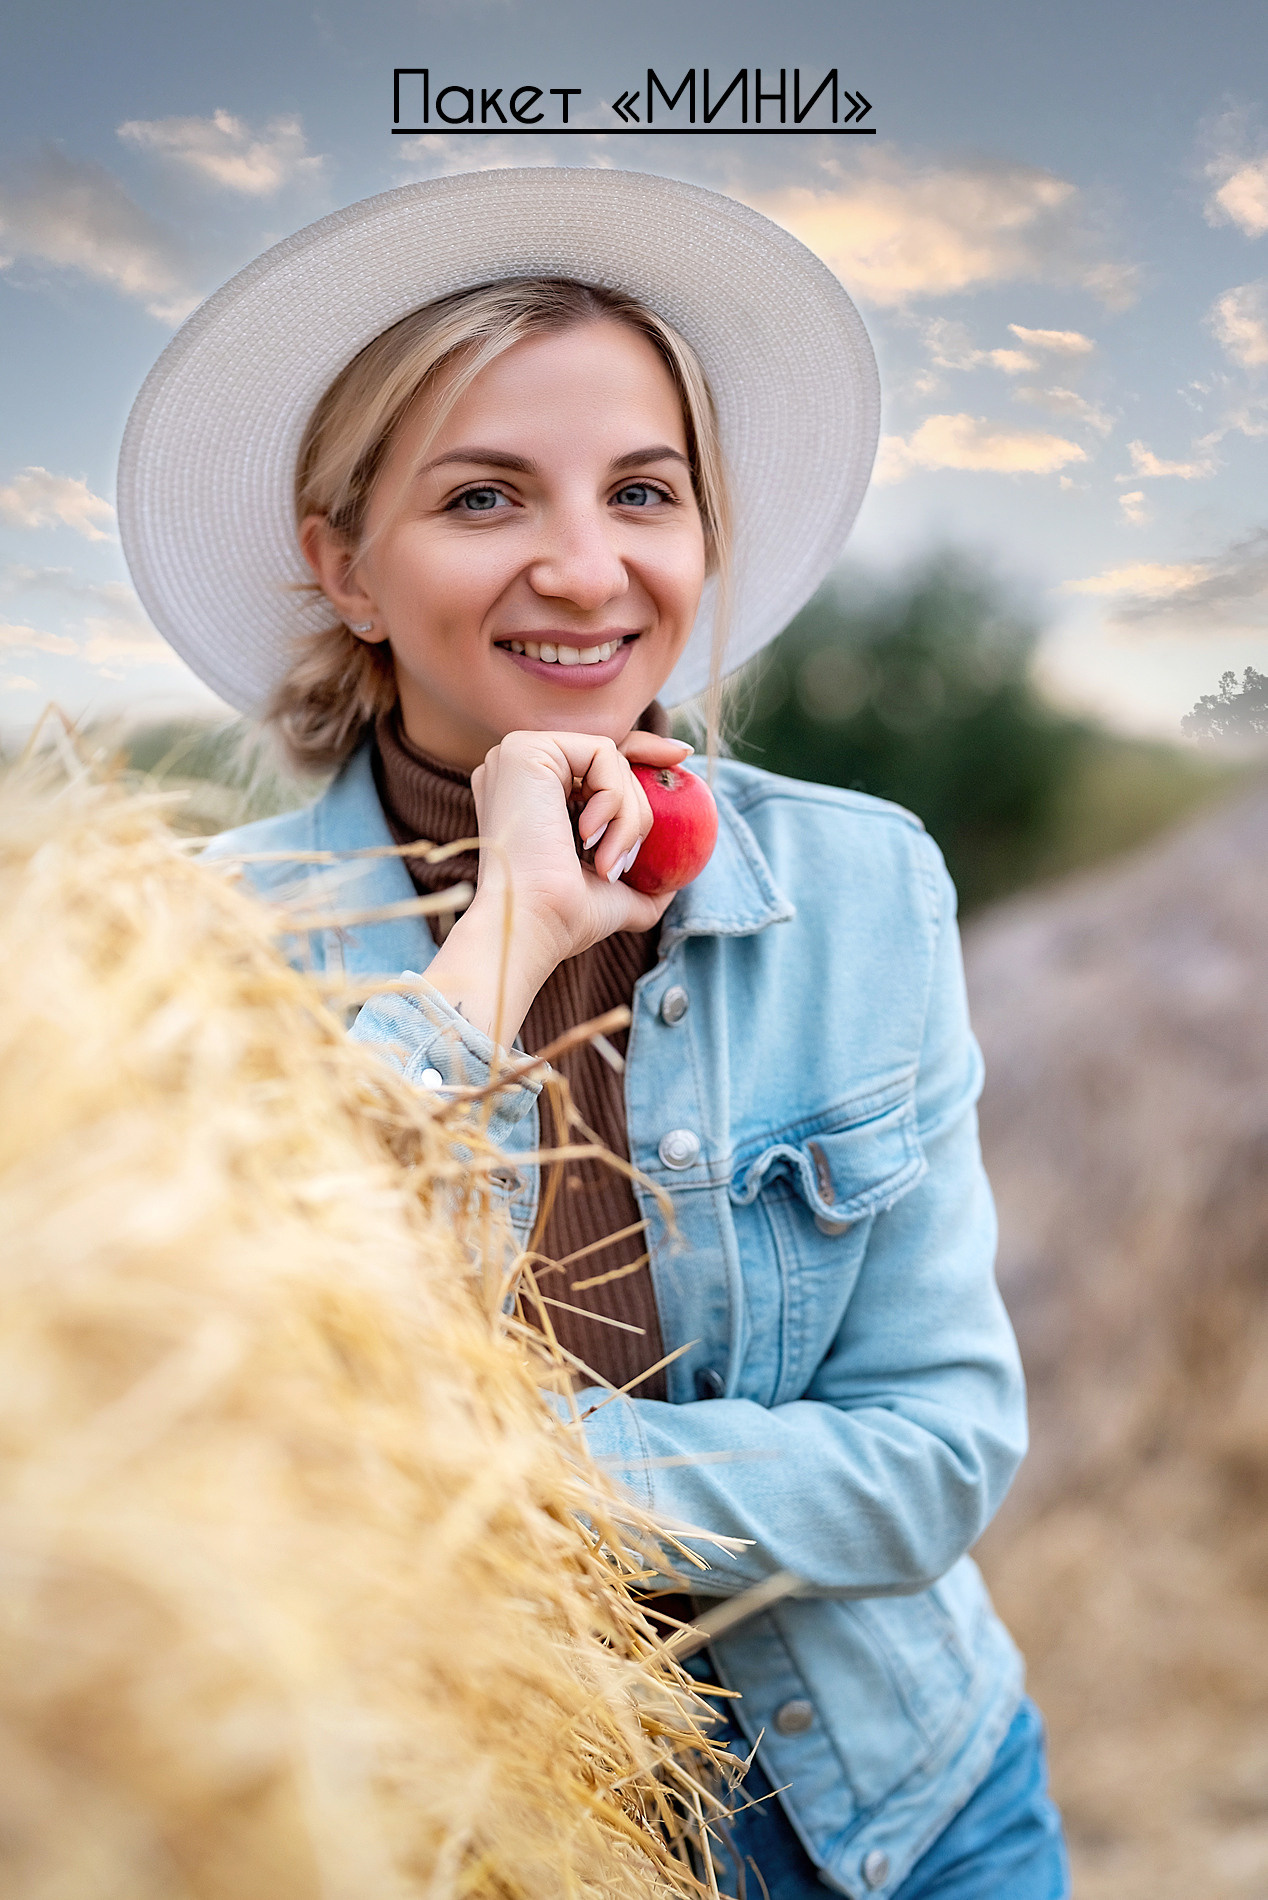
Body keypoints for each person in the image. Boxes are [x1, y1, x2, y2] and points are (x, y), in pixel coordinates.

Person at [118, 168, 1069, 1899]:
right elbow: (230, 1444)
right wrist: (498, 947)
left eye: (643, 491)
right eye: (484, 495)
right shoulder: (196, 945)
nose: (583, 567)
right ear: (344, 566)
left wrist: (496, 1469)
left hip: (917, 1813)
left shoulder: (863, 884)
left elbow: (934, 1458)